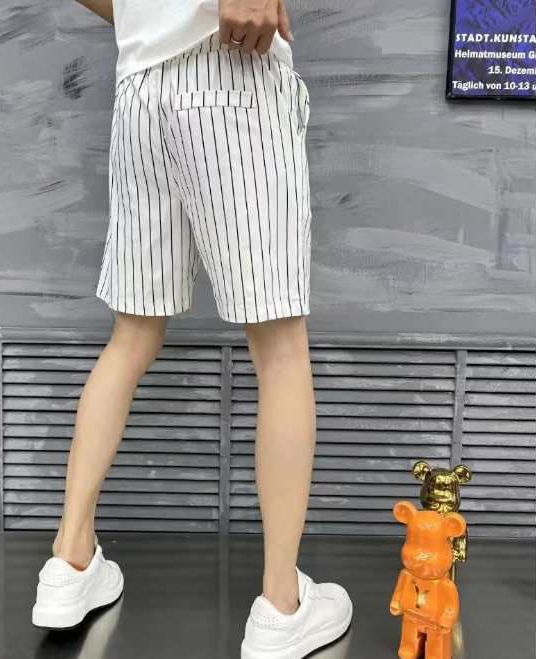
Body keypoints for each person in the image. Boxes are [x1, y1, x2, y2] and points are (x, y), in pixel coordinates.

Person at [32, 1, 353, 657]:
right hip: (229, 72)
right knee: (279, 349)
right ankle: (282, 605)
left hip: (140, 92)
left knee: (131, 335)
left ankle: (69, 559)